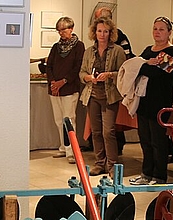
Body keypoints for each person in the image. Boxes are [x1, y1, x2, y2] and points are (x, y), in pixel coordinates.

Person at [129, 16, 173, 186]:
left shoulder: (172, 51)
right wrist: (148, 64)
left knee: (158, 141)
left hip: (160, 102)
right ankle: (146, 173)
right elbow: (135, 67)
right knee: (145, 139)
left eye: (161, 29)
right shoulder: (148, 50)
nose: (157, 32)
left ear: (169, 32)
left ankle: (159, 175)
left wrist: (145, 66)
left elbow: (158, 73)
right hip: (144, 100)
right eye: (155, 29)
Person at [80, 17, 125, 176]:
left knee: (108, 132)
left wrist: (110, 74)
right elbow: (82, 72)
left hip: (110, 96)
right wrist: (88, 78)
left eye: (105, 31)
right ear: (94, 32)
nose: (102, 34)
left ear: (110, 33)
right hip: (92, 95)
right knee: (96, 132)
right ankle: (100, 163)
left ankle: (112, 166)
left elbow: (123, 73)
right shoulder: (88, 51)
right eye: (99, 31)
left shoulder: (117, 50)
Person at [94, 6, 134, 154]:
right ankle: (102, 157)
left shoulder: (119, 38)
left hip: (114, 87)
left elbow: (127, 60)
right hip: (97, 89)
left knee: (109, 129)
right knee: (99, 129)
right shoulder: (93, 46)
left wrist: (112, 74)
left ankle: (114, 156)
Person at [46, 17, 85, 164]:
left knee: (68, 120)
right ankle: (63, 147)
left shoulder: (79, 46)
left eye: (64, 29)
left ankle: (72, 151)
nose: (61, 33)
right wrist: (53, 83)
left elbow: (77, 67)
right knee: (58, 120)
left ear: (71, 29)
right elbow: (49, 66)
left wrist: (63, 82)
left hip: (69, 88)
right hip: (55, 90)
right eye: (59, 30)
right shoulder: (56, 47)